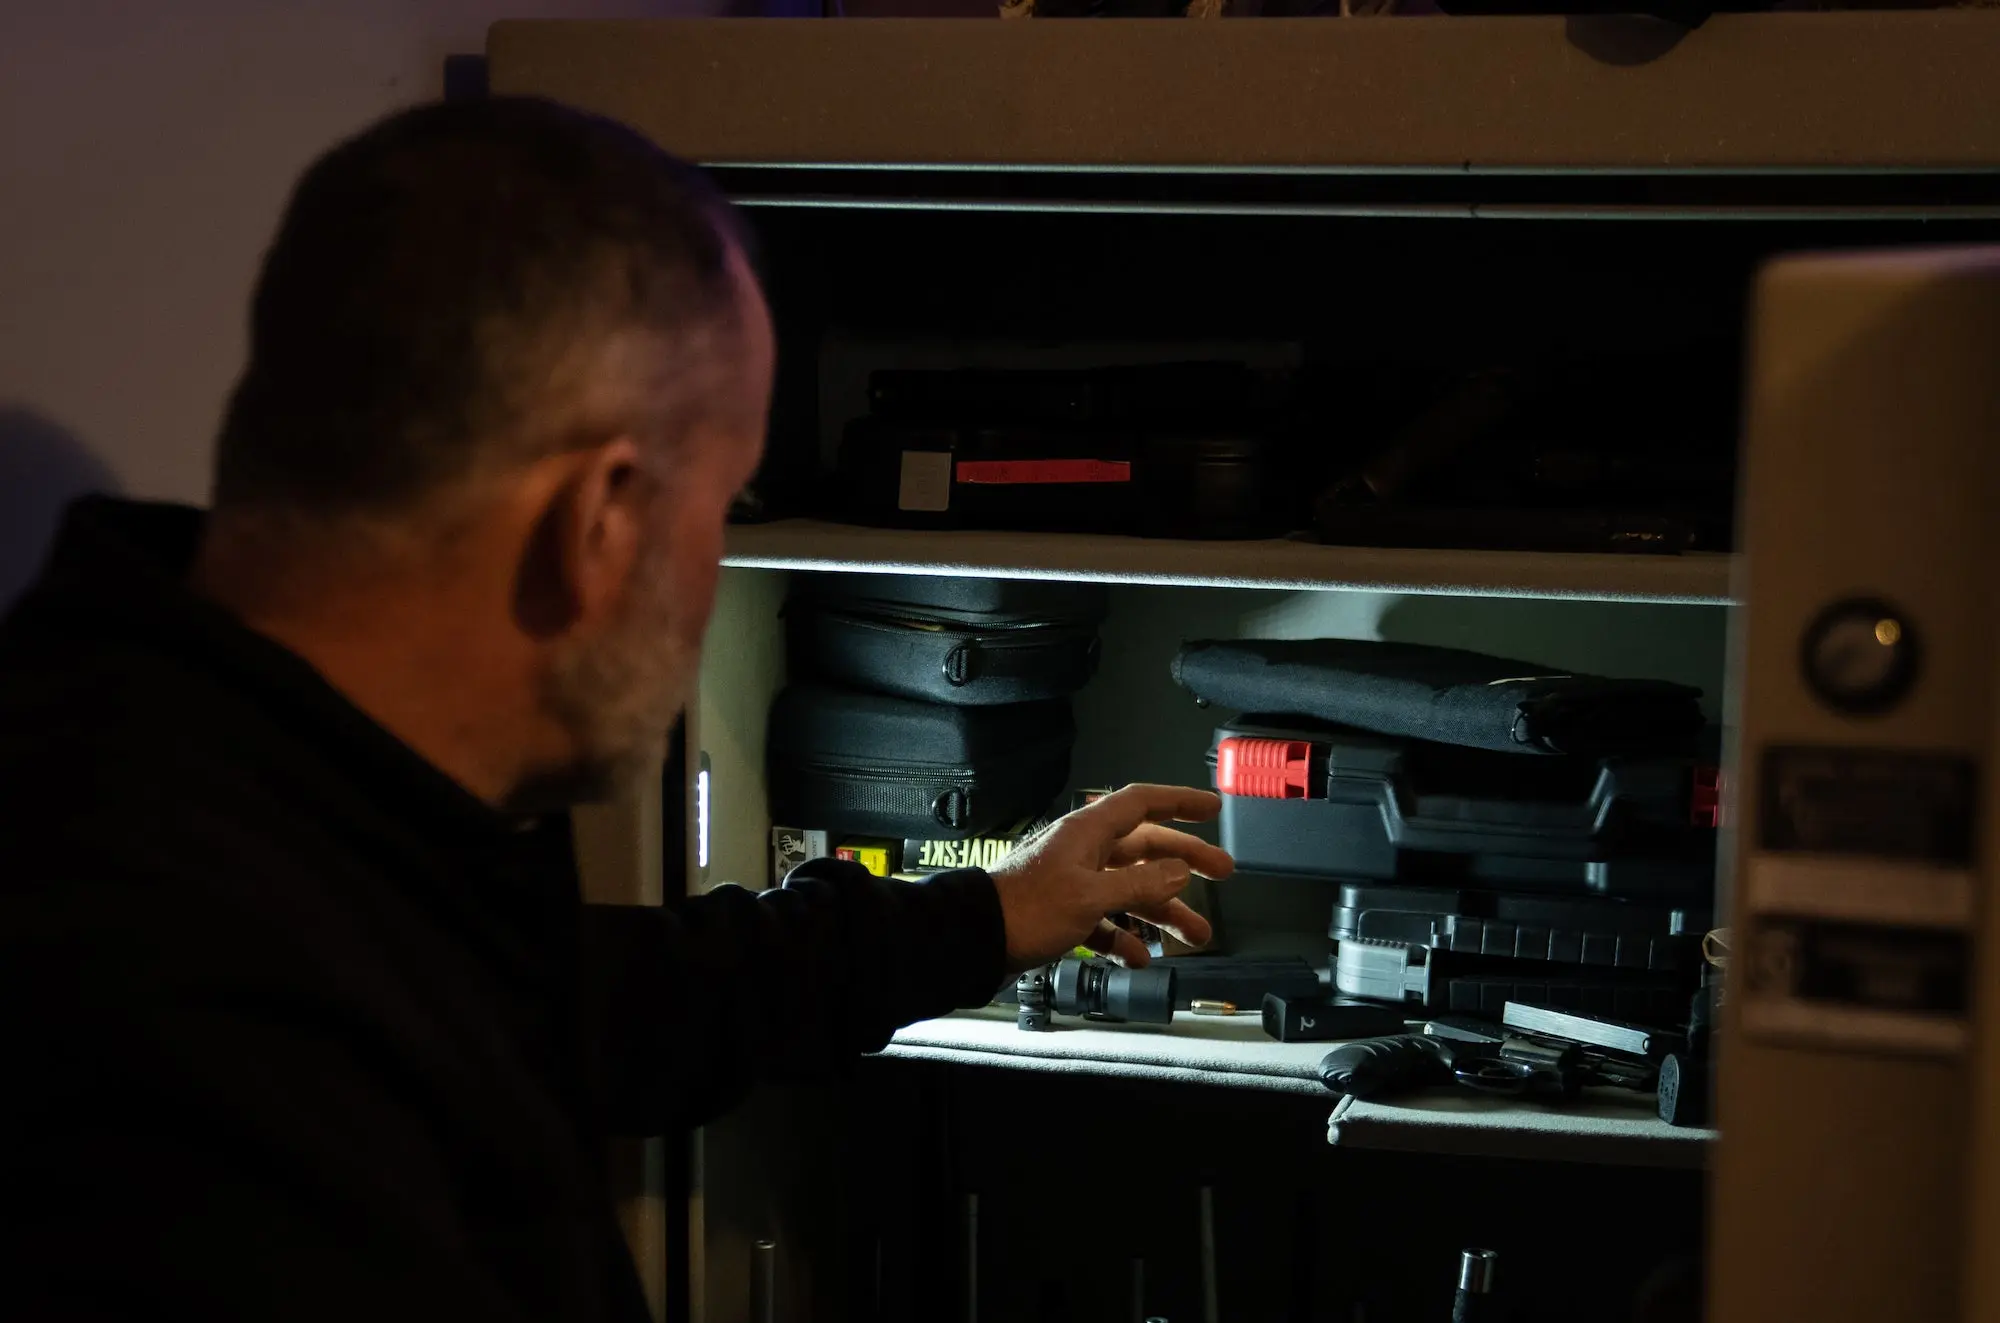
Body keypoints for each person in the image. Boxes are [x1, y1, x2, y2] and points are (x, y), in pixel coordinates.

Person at [0, 97, 1231, 1321]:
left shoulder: (233, 794)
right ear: (599, 524)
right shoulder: (198, 1033)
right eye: (717, 513)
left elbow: (619, 997)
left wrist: (994, 910)